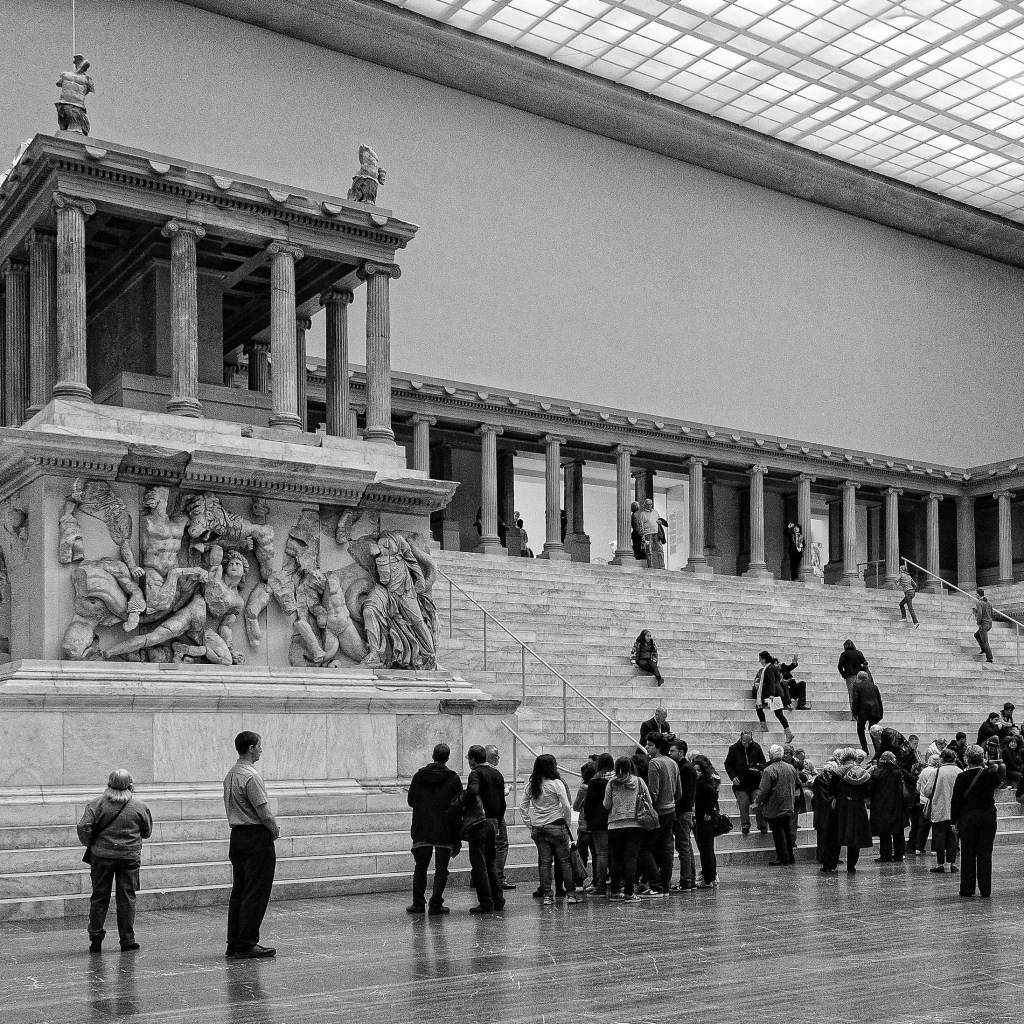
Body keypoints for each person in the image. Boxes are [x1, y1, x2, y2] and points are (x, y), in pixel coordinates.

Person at [77, 769, 153, 953]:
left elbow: (83, 827)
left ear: (109, 784)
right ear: (130, 786)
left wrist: (91, 843)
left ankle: (96, 937)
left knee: (99, 897)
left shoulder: (96, 804)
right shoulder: (140, 807)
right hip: (129, 858)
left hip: (101, 857)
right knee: (126, 898)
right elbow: (147, 832)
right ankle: (127, 940)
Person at [223, 731, 280, 958]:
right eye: (259, 746)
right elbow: (263, 812)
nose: (261, 750)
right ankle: (246, 943)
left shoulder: (231, 774)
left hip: (238, 836)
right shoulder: (251, 776)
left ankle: (234, 942)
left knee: (239, 890)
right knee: (256, 890)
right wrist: (274, 830)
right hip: (255, 837)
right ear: (251, 748)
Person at [407, 742, 463, 915]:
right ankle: (436, 903)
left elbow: (411, 801)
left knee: (420, 867)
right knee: (441, 868)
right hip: (445, 829)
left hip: (423, 827)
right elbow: (458, 804)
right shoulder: (453, 779)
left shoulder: (419, 776)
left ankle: (418, 903)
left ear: (433, 756)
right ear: (447, 758)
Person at [520, 754, 580, 904]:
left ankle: (547, 895)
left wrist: (530, 824)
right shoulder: (556, 783)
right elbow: (566, 806)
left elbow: (523, 807)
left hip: (538, 827)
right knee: (564, 861)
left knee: (545, 862)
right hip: (556, 824)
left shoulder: (531, 785)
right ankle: (571, 894)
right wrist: (566, 822)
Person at [951, 745, 1005, 898]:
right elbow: (999, 783)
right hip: (987, 816)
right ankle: (985, 890)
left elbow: (956, 800)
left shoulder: (962, 777)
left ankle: (967, 889)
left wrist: (953, 821)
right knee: (985, 853)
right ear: (982, 758)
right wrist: (986, 765)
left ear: (967, 759)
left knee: (967, 853)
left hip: (968, 817)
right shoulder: (990, 774)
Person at [637, 733, 681, 896]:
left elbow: (653, 792)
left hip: (658, 811)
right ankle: (664, 884)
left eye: (650, 745)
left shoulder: (654, 763)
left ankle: (656, 885)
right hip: (671, 810)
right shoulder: (673, 763)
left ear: (658, 747)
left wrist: (649, 808)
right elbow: (678, 791)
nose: (647, 748)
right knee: (666, 848)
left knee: (645, 848)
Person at [603, 755, 650, 903]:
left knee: (616, 859)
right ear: (631, 767)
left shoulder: (611, 783)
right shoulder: (639, 781)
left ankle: (615, 892)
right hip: (635, 824)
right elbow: (648, 801)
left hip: (614, 825)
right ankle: (629, 892)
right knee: (631, 858)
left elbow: (606, 804)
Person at [464, 745, 504, 913]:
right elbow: (503, 802)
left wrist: (465, 804)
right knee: (490, 862)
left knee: (478, 863)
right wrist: (498, 822)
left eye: (469, 759)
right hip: (494, 821)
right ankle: (498, 899)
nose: (469, 762)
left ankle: (486, 902)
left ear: (473, 759)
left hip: (480, 821)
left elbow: (472, 791)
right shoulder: (497, 774)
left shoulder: (475, 773)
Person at [757, 744, 798, 866]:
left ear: (771, 755)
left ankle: (782, 857)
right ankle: (790, 856)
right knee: (786, 831)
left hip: (775, 806)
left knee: (778, 833)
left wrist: (757, 801)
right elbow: (797, 782)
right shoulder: (790, 767)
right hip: (788, 804)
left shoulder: (769, 770)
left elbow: (764, 790)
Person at [834, 748, 872, 873]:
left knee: (838, 834)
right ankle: (851, 865)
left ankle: (832, 863)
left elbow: (832, 790)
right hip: (858, 807)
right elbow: (867, 792)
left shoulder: (837, 772)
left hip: (842, 807)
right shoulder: (863, 773)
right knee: (855, 837)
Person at [926, 748, 962, 874]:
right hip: (955, 810)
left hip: (939, 808)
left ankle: (940, 863)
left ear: (942, 759)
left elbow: (927, 791)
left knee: (939, 836)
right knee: (953, 837)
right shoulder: (959, 771)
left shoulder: (936, 772)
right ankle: (951, 863)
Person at [483, 744, 515, 890]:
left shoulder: (477, 772)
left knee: (483, 846)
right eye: (497, 756)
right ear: (491, 757)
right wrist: (507, 789)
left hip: (482, 814)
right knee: (501, 844)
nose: (498, 759)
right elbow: (497, 795)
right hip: (495, 814)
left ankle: (479, 876)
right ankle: (498, 877)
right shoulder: (494, 773)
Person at [583, 752, 615, 894]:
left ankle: (601, 883)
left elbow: (588, 805)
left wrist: (589, 821)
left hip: (598, 821)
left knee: (601, 853)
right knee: (614, 852)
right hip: (615, 819)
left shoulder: (595, 780)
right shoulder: (617, 779)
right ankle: (616, 881)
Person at [725, 730, 767, 836]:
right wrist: (733, 777)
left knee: (758, 802)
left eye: (749, 742)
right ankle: (745, 825)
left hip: (754, 782)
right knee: (743, 803)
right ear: (741, 739)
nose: (747, 744)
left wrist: (759, 767)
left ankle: (762, 825)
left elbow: (763, 761)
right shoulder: (733, 748)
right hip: (741, 783)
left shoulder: (756, 747)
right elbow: (728, 764)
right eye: (744, 742)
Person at [668, 740, 697, 891]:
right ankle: (689, 878)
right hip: (685, 811)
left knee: (683, 846)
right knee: (686, 846)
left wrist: (675, 811)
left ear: (681, 752)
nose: (670, 753)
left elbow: (682, 794)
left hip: (682, 812)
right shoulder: (685, 767)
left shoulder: (684, 768)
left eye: (672, 751)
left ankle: (686, 880)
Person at [868, 751, 908, 862]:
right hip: (898, 805)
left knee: (884, 832)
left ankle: (886, 855)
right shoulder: (899, 771)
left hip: (881, 805)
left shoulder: (877, 772)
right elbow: (911, 779)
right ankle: (899, 854)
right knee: (898, 831)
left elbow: (870, 789)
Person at [691, 754, 721, 889]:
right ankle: (711, 876)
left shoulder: (703, 783)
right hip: (705, 818)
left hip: (706, 820)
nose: (696, 773)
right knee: (707, 849)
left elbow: (714, 795)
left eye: (699, 770)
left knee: (706, 850)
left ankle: (708, 879)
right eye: (695, 770)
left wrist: (707, 812)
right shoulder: (704, 782)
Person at [754, 650, 794, 742]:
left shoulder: (769, 669)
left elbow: (772, 682)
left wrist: (771, 695)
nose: (759, 661)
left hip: (773, 694)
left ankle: (764, 727)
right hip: (775, 693)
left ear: (764, 659)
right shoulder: (770, 667)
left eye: (760, 659)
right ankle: (788, 733)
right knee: (779, 714)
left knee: (760, 707)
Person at [911, 753, 941, 855]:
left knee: (923, 826)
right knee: (935, 825)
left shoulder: (924, 771)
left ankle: (919, 848)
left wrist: (922, 794)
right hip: (934, 801)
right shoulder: (936, 772)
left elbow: (918, 786)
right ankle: (934, 849)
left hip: (923, 801)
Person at [851, 670, 883, 753]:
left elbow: (855, 700)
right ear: (867, 677)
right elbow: (879, 700)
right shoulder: (874, 686)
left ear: (858, 678)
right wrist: (881, 712)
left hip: (863, 710)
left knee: (860, 729)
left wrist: (854, 713)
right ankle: (877, 748)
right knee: (873, 730)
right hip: (875, 710)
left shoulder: (856, 686)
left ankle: (865, 748)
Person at [837, 640, 869, 719]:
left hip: (850, 676)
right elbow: (864, 663)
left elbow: (840, 665)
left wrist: (843, 674)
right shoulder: (859, 653)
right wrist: (863, 670)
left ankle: (854, 715)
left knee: (852, 695)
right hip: (859, 676)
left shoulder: (844, 654)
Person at [640, 497, 668, 569]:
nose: (649, 506)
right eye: (648, 504)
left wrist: (660, 522)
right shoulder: (642, 514)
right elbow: (641, 525)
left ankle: (662, 565)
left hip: (656, 533)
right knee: (649, 551)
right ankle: (650, 566)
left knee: (660, 549)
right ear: (645, 505)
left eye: (650, 504)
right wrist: (643, 535)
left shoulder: (655, 512)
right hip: (647, 534)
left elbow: (659, 521)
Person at [973, 589, 994, 663]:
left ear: (978, 595)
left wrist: (978, 623)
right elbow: (991, 613)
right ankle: (983, 649)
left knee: (985, 642)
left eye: (976, 594)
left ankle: (989, 658)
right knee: (976, 635)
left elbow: (980, 614)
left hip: (983, 624)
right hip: (989, 623)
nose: (975, 595)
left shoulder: (979, 602)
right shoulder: (989, 603)